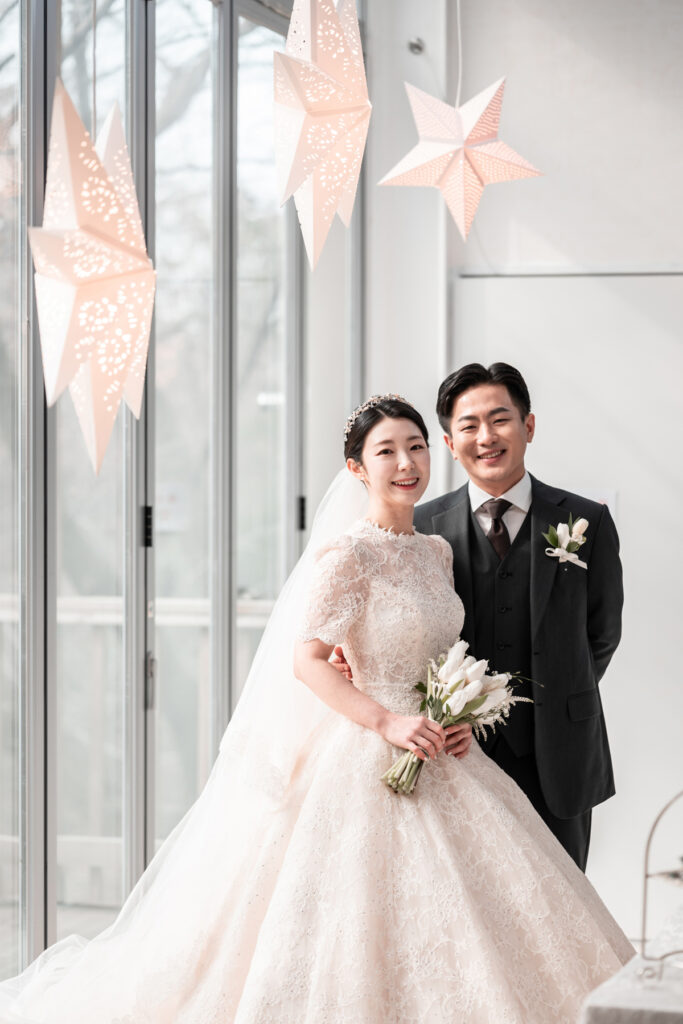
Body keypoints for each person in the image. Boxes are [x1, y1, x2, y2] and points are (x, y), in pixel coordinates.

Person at [0, 395, 632, 1024]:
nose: (406, 463)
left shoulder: (435, 551)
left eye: (415, 447)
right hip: (368, 751)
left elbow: (446, 650)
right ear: (357, 468)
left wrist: (456, 712)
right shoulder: (347, 554)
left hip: (439, 747)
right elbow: (308, 660)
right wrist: (386, 720)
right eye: (386, 451)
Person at [413, 363, 623, 871]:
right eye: (469, 426)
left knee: (563, 906)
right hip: (456, 756)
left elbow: (602, 633)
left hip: (560, 754)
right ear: (450, 443)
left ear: (528, 426)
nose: (486, 437)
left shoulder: (585, 521)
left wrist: (553, 696)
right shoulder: (421, 526)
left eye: (500, 419)